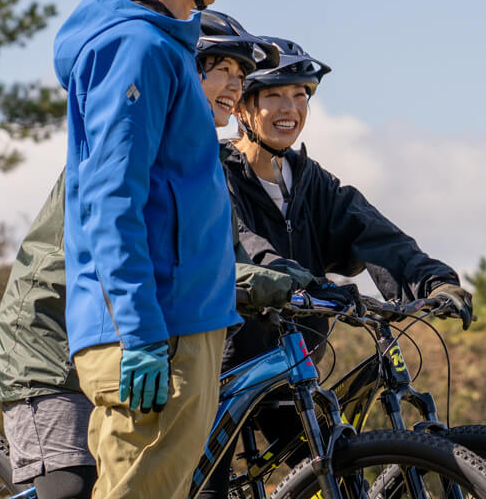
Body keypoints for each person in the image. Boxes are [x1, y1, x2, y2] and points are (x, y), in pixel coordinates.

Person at [0, 10, 299, 499]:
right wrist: (257, 282)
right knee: (72, 489)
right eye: (223, 70)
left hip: (121, 338)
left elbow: (223, 252)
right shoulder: (143, 133)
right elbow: (130, 235)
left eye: (242, 76)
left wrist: (286, 277)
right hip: (51, 345)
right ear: (185, 70)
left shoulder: (203, 160)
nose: (235, 86)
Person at [52, 0, 277, 499]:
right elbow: (109, 199)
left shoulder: (162, 45)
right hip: (157, 331)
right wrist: (142, 333)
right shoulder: (138, 48)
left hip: (177, 323)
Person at [195, 37, 472, 499]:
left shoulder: (311, 182)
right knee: (208, 487)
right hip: (223, 364)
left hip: (290, 364)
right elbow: (248, 248)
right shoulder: (215, 173)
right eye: (274, 95)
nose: (291, 108)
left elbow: (376, 234)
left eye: (301, 94)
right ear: (242, 107)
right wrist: (303, 282)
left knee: (335, 473)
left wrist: (435, 282)